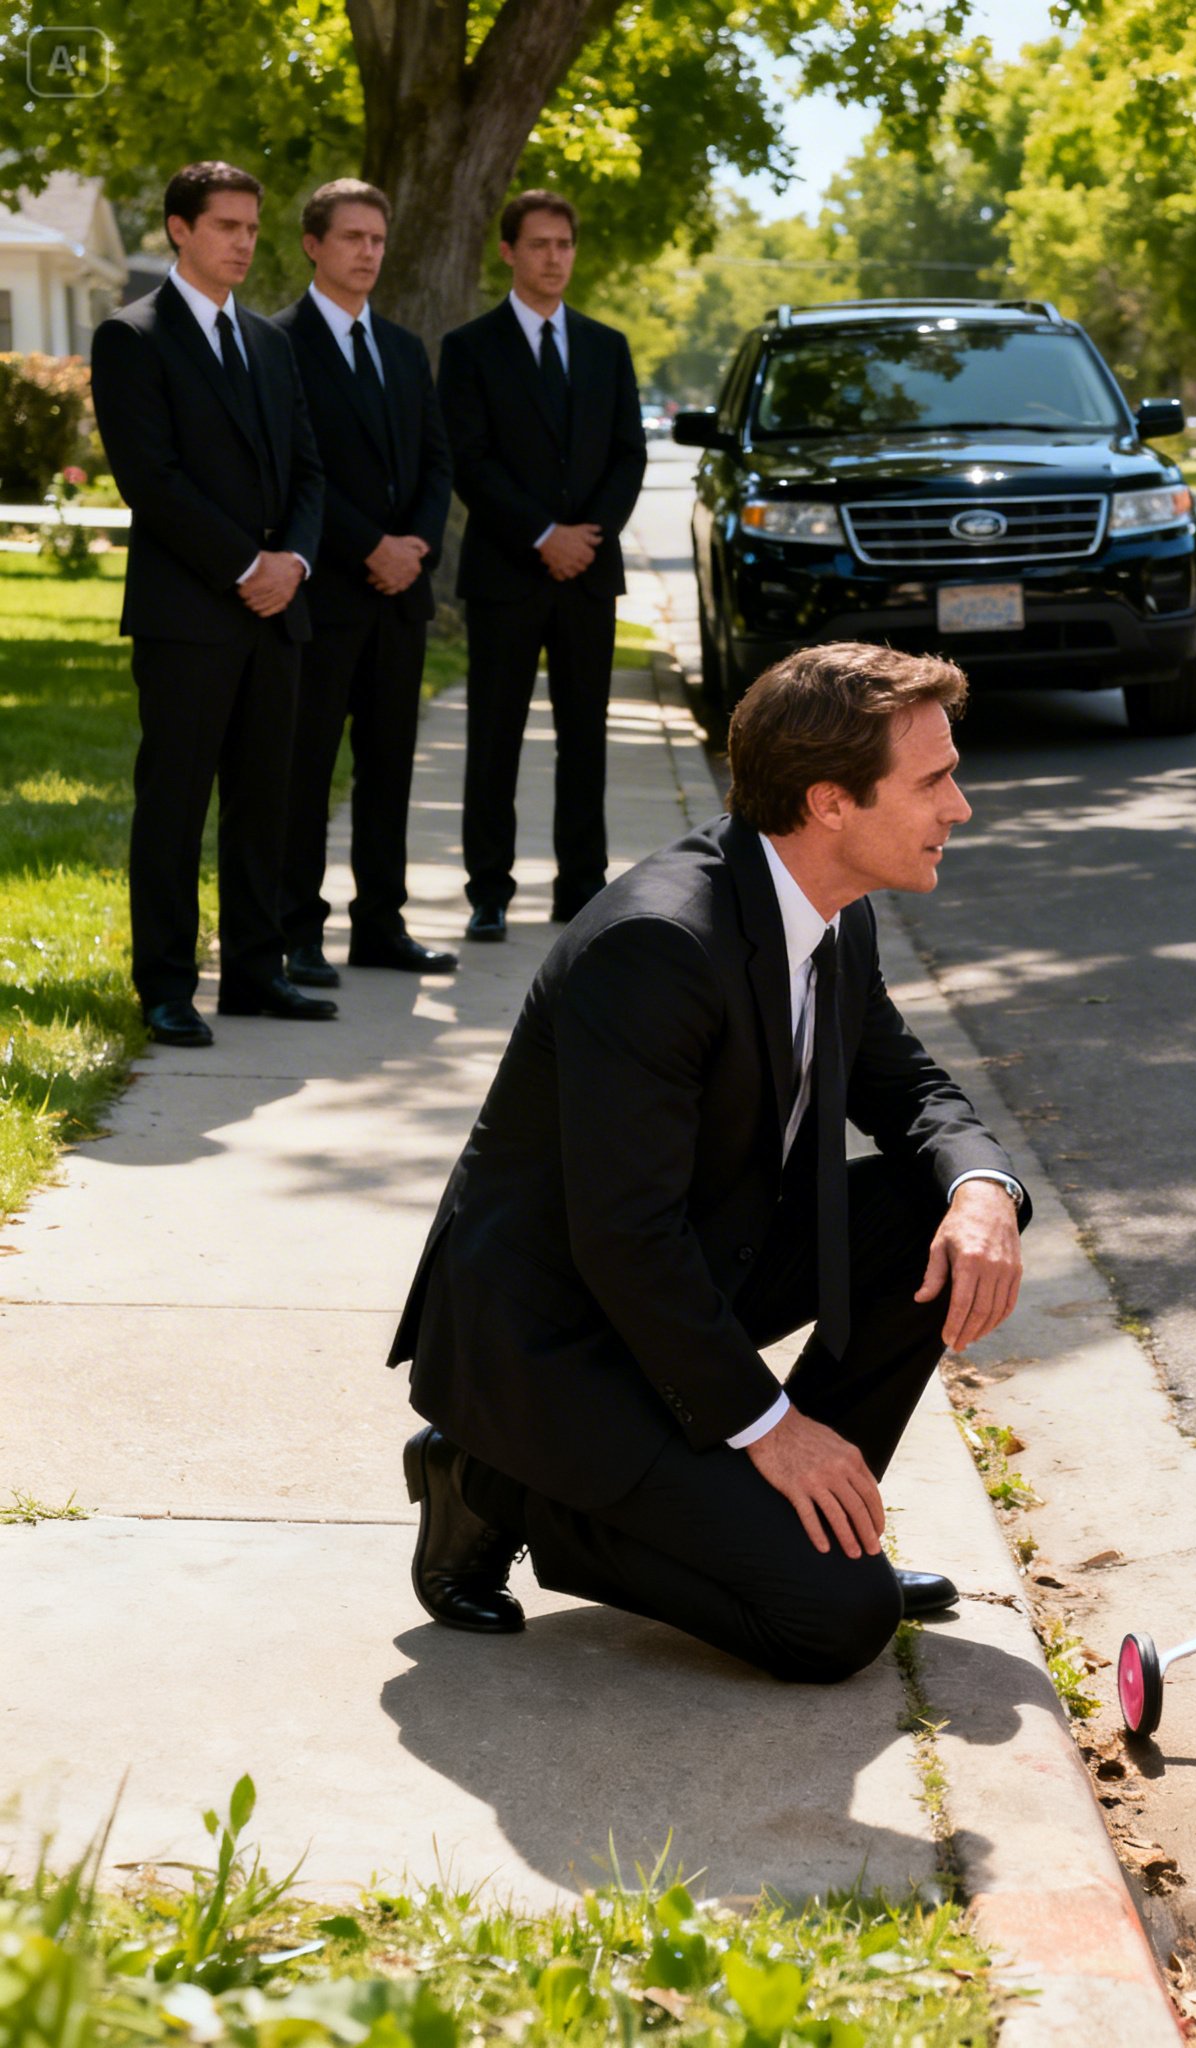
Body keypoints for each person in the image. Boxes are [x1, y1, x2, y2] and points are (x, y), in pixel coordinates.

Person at [387, 642, 1029, 1683]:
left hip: (691, 1267)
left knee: (938, 1205)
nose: (958, 806)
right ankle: (499, 1478)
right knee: (832, 1624)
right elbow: (622, 1237)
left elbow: (910, 1088)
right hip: (565, 1336)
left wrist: (981, 1190)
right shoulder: (654, 947)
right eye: (933, 780)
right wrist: (770, 1426)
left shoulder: (835, 910)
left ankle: (825, 1525)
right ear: (828, 800)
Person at [92, 160, 332, 1045]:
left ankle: (256, 974)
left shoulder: (272, 343)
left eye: (251, 228)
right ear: (179, 230)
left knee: (264, 800)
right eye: (225, 226)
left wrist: (296, 563)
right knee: (176, 803)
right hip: (189, 614)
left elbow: (310, 469)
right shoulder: (133, 336)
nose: (242, 242)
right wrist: (246, 566)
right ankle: (164, 985)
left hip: (279, 613)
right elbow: (152, 480)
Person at [436, 189, 647, 942]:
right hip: (506, 574)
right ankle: (488, 890)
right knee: (495, 736)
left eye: (564, 244)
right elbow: (470, 460)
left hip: (588, 574)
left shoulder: (606, 346)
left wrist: (586, 536)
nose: (554, 258)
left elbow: (630, 453)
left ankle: (582, 888)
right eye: (539, 245)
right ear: (508, 252)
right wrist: (541, 534)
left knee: (584, 737)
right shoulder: (469, 348)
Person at [273, 179, 456, 987]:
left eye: (377, 239)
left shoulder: (405, 349)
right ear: (314, 244)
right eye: (352, 237)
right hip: (326, 597)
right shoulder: (276, 344)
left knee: (389, 769)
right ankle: (296, 931)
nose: (368, 252)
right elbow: (294, 473)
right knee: (306, 771)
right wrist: (368, 547)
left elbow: (435, 464)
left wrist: (412, 546)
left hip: (400, 597)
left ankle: (380, 924)